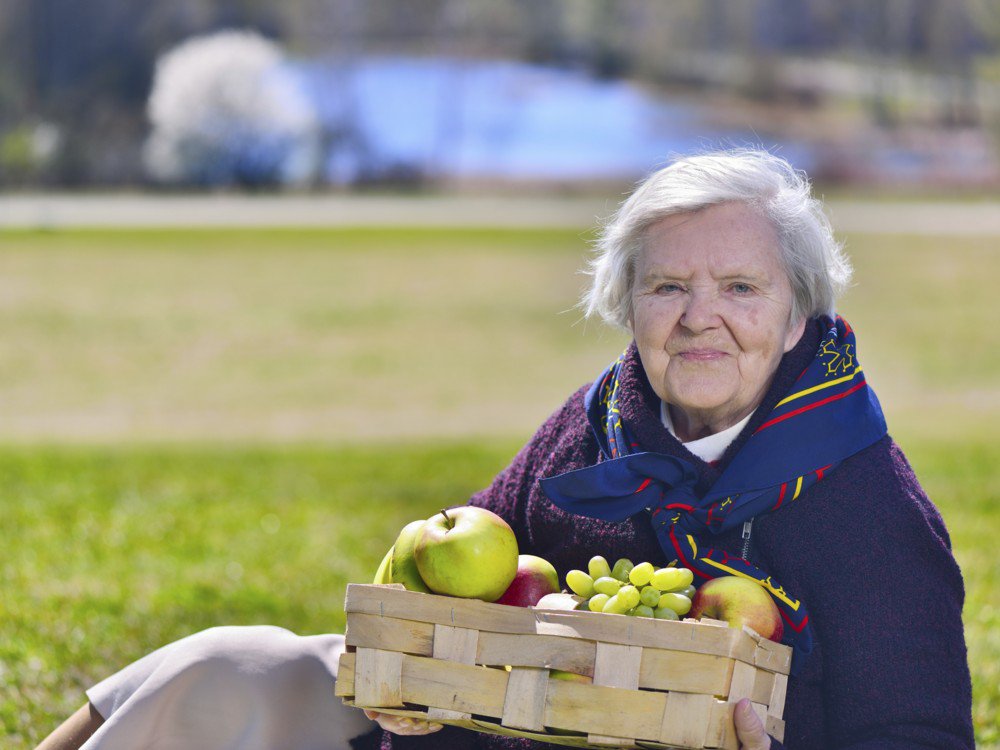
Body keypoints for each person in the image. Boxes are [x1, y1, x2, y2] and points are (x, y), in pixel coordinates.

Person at [37, 149, 974, 750]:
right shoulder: (597, 424)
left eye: (739, 287)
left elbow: (921, 734)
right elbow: (452, 587)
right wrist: (403, 681)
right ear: (627, 304)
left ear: (798, 310)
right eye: (667, 288)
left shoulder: (868, 506)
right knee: (226, 664)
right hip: (474, 742)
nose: (700, 319)